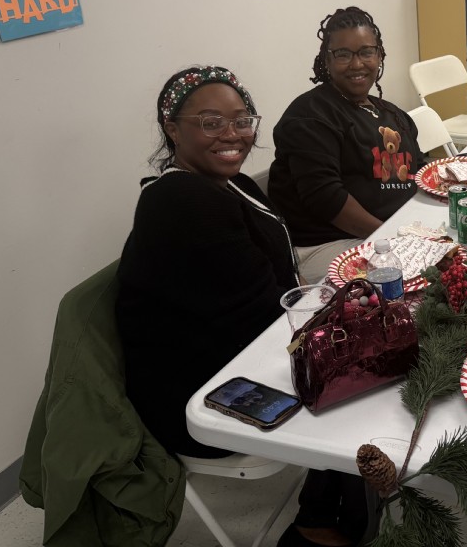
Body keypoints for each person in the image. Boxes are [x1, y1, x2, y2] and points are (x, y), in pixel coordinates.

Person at [116, 66, 364, 547]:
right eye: (211, 122)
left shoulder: (231, 184)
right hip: (200, 389)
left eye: (241, 120)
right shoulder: (180, 201)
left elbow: (273, 292)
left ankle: (328, 508)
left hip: (238, 349)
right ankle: (320, 527)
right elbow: (263, 316)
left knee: (368, 351)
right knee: (365, 382)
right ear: (173, 129)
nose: (232, 134)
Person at [268, 7, 423, 281]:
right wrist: (390, 238)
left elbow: (418, 170)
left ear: (379, 55)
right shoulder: (310, 115)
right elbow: (326, 199)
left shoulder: (392, 113)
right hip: (329, 244)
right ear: (326, 61)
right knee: (426, 274)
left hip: (394, 229)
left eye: (366, 52)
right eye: (343, 54)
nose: (357, 64)